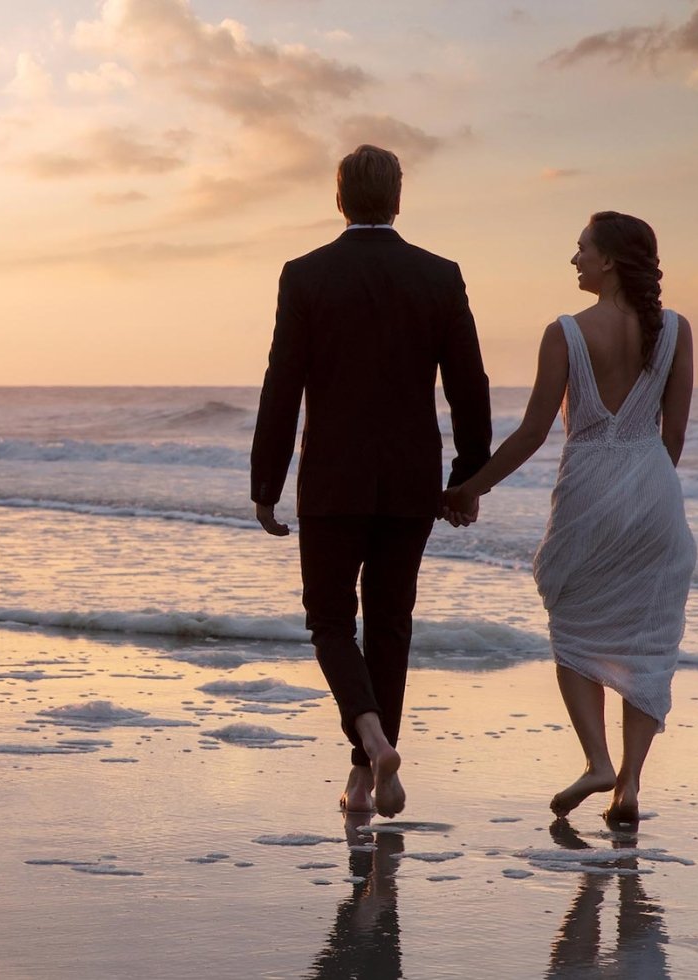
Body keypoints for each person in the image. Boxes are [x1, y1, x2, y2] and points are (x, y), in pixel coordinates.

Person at [251, 143, 492, 818]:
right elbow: (468, 384)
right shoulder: (439, 276)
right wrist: (468, 475)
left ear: (339, 199)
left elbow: (281, 386)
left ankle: (371, 741)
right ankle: (366, 775)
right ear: (398, 198)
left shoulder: (305, 275)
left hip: (333, 479)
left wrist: (266, 483)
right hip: (411, 479)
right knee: (390, 624)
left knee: (330, 621)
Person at [443, 211, 696, 824]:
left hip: (587, 490)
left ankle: (597, 760)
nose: (575, 259)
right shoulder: (677, 330)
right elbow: (675, 436)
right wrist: (643, 488)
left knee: (574, 625)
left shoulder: (565, 332)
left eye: (581, 249)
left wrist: (468, 490)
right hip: (655, 493)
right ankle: (629, 786)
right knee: (648, 641)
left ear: (608, 260)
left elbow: (533, 432)